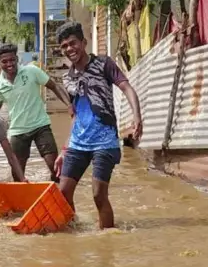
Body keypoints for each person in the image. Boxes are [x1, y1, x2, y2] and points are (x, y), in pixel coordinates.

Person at [54, 21, 142, 229]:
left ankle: (107, 239)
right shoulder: (67, 78)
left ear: (84, 43)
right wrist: (64, 150)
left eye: (72, 43)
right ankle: (73, 232)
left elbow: (127, 88)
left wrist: (137, 116)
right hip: (78, 143)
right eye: (64, 46)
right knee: (63, 192)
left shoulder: (103, 64)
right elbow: (75, 117)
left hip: (105, 142)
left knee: (98, 194)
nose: (69, 49)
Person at [0, 43, 73, 183]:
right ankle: (22, 203)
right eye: (4, 61)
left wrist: (69, 105)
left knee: (55, 168)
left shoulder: (32, 71)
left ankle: (54, 196)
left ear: (17, 58)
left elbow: (53, 86)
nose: (9, 64)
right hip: (17, 131)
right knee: (18, 175)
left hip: (41, 126)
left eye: (12, 60)